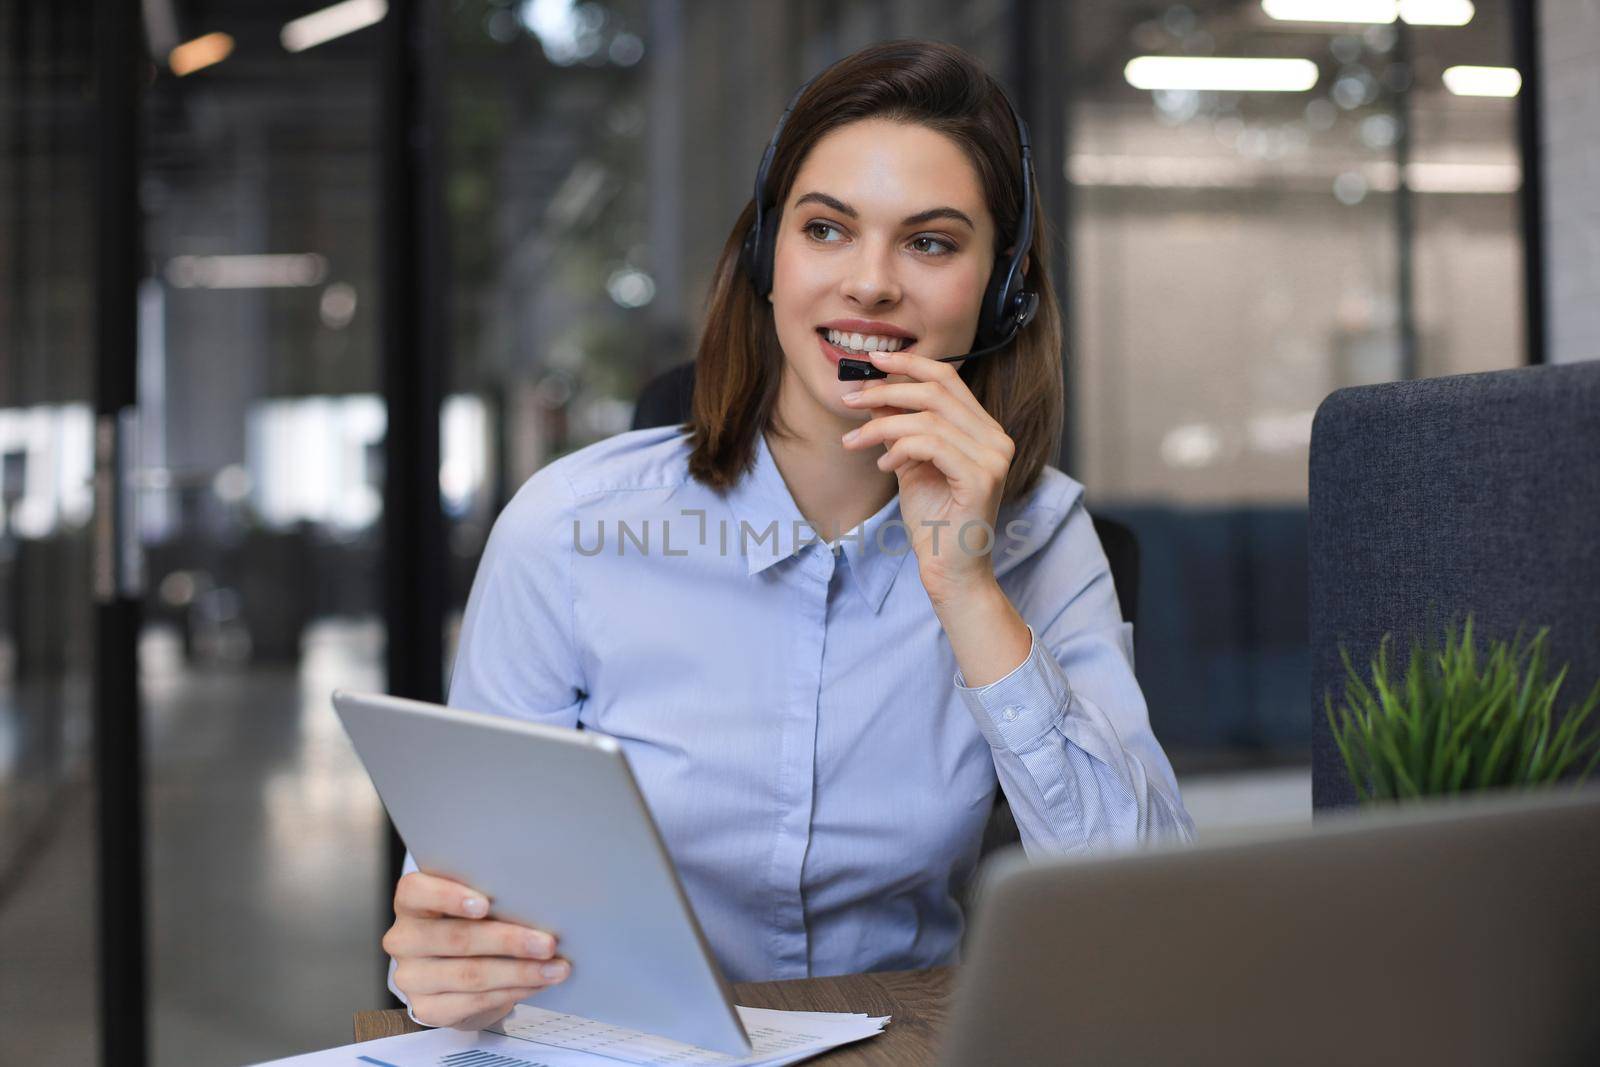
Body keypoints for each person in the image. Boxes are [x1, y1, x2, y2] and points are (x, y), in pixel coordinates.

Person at [383, 38, 1194, 1032]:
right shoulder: (568, 530)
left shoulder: (1045, 537)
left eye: (931, 243)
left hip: (905, 1041)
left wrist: (968, 588)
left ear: (1004, 290)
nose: (869, 283)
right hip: (621, 1045)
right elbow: (466, 896)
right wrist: (450, 956)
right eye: (826, 229)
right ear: (768, 257)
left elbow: (1137, 902)